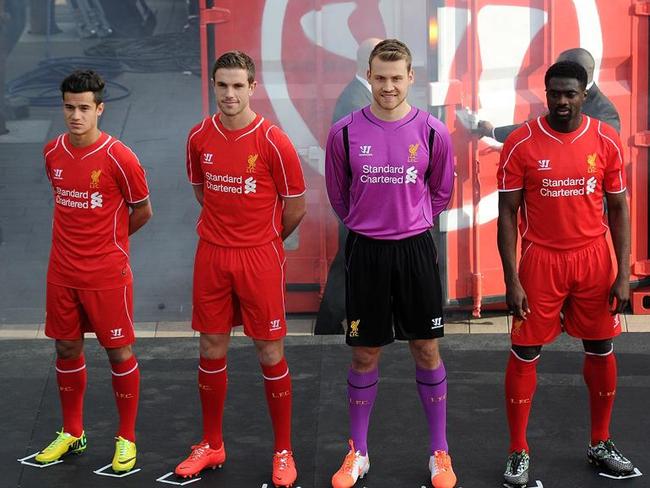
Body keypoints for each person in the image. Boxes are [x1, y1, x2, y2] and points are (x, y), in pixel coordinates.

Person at [325, 39, 456, 488]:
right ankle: (358, 453)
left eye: (397, 77)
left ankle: (439, 452)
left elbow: (440, 193)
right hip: (367, 252)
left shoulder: (434, 131)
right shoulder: (344, 131)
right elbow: (338, 195)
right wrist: (372, 224)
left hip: (415, 249)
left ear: (410, 78)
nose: (388, 86)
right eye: (380, 77)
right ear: (369, 74)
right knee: (364, 353)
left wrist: (409, 221)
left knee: (426, 348)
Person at [497, 60, 634, 487]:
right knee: (525, 351)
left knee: (600, 346)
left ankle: (600, 442)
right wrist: (512, 279)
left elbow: (618, 209)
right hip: (540, 261)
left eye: (570, 93)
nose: (561, 100)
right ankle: (518, 451)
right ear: (545, 92)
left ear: (584, 92)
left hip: (593, 260)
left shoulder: (605, 140)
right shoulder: (521, 142)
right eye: (554, 92)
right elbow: (506, 214)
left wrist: (623, 272)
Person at [176, 51, 306, 488]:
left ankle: (283, 451)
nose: (229, 94)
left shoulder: (274, 140)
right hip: (212, 254)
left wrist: (263, 239)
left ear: (253, 87)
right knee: (211, 346)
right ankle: (212, 444)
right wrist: (227, 232)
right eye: (221, 85)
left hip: (259, 257)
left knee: (270, 351)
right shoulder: (198, 137)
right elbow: (202, 192)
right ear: (213, 86)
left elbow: (297, 207)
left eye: (237, 86)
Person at [36, 70, 152, 472]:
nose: (76, 116)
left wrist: (110, 241)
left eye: (85, 108)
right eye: (69, 107)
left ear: (100, 109)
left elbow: (143, 211)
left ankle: (127, 438)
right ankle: (72, 432)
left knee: (118, 353)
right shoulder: (52, 152)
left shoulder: (120, 157)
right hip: (62, 273)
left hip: (106, 274)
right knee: (66, 348)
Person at [316, 37, 381, 335]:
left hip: (361, 203)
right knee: (348, 265)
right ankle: (332, 325)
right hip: (358, 203)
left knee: (348, 264)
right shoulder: (353, 102)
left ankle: (331, 325)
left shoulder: (360, 96)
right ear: (368, 65)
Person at [478, 48, 621, 142]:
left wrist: (492, 132)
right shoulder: (569, 98)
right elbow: (536, 128)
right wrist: (492, 132)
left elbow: (607, 155)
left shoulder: (605, 112)